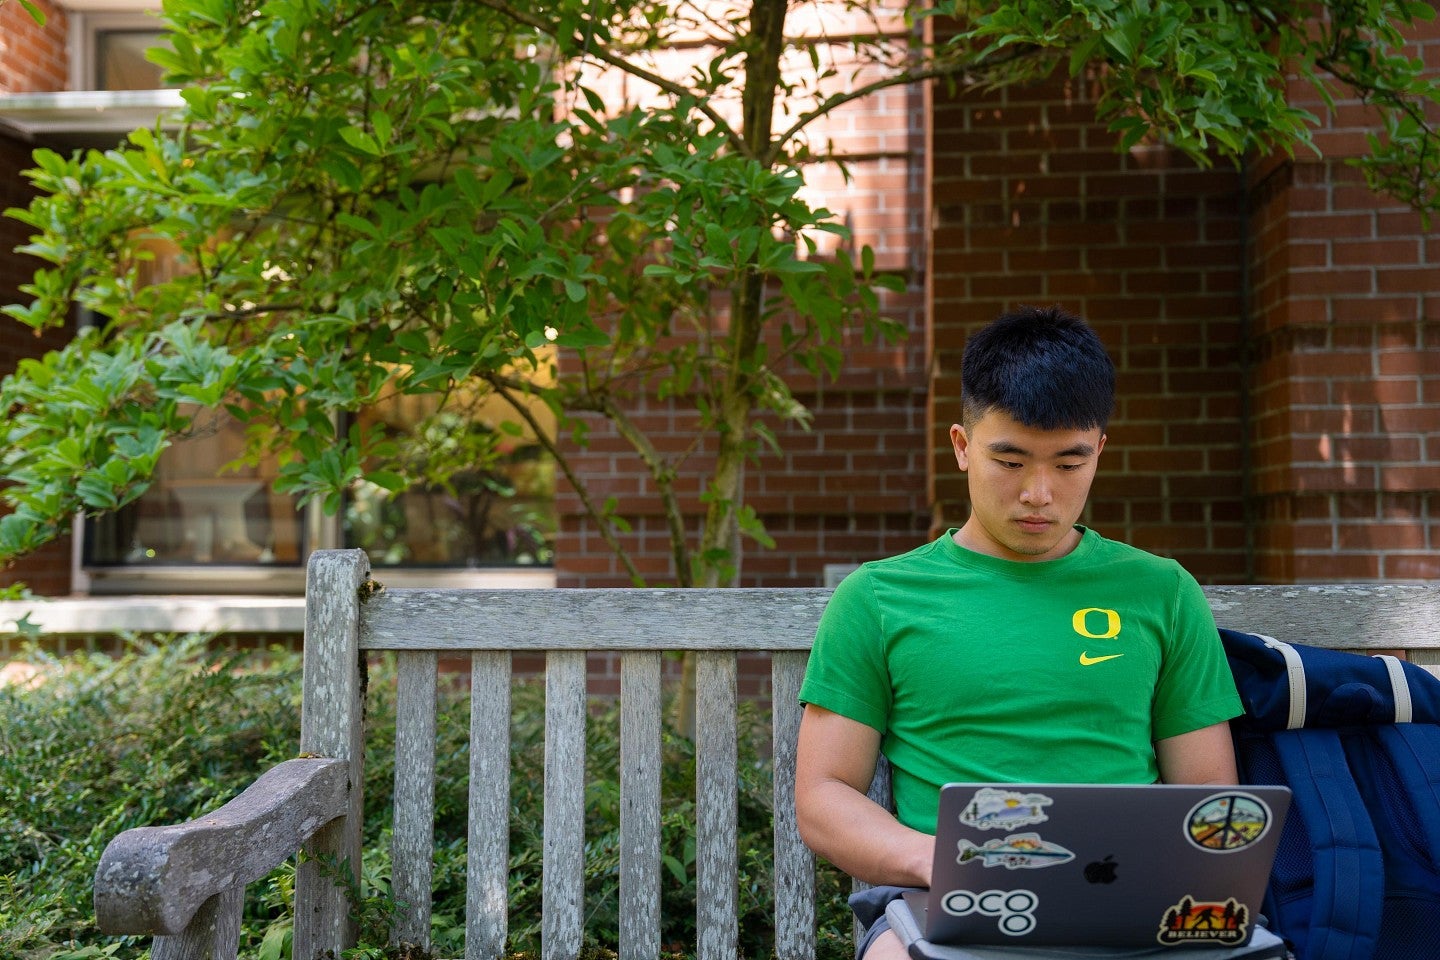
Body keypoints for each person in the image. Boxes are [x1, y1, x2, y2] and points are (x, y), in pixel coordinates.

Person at [793, 305, 1243, 960]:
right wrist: (936, 862)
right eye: (1010, 461)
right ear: (961, 446)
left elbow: (1207, 799)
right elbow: (823, 796)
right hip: (951, 903)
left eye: (1068, 464)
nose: (1039, 493)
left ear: (1099, 453)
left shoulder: (1161, 592)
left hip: (1125, 902)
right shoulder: (879, 600)